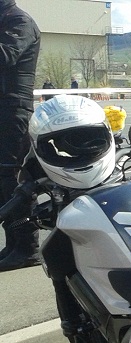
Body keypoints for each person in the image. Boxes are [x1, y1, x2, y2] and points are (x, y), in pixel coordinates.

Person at [0, 0, 40, 272]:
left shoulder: (19, 21)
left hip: (14, 110)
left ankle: (27, 247)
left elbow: (5, 55)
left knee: (13, 178)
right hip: (5, 110)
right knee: (3, 182)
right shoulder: (7, 20)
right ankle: (14, 243)